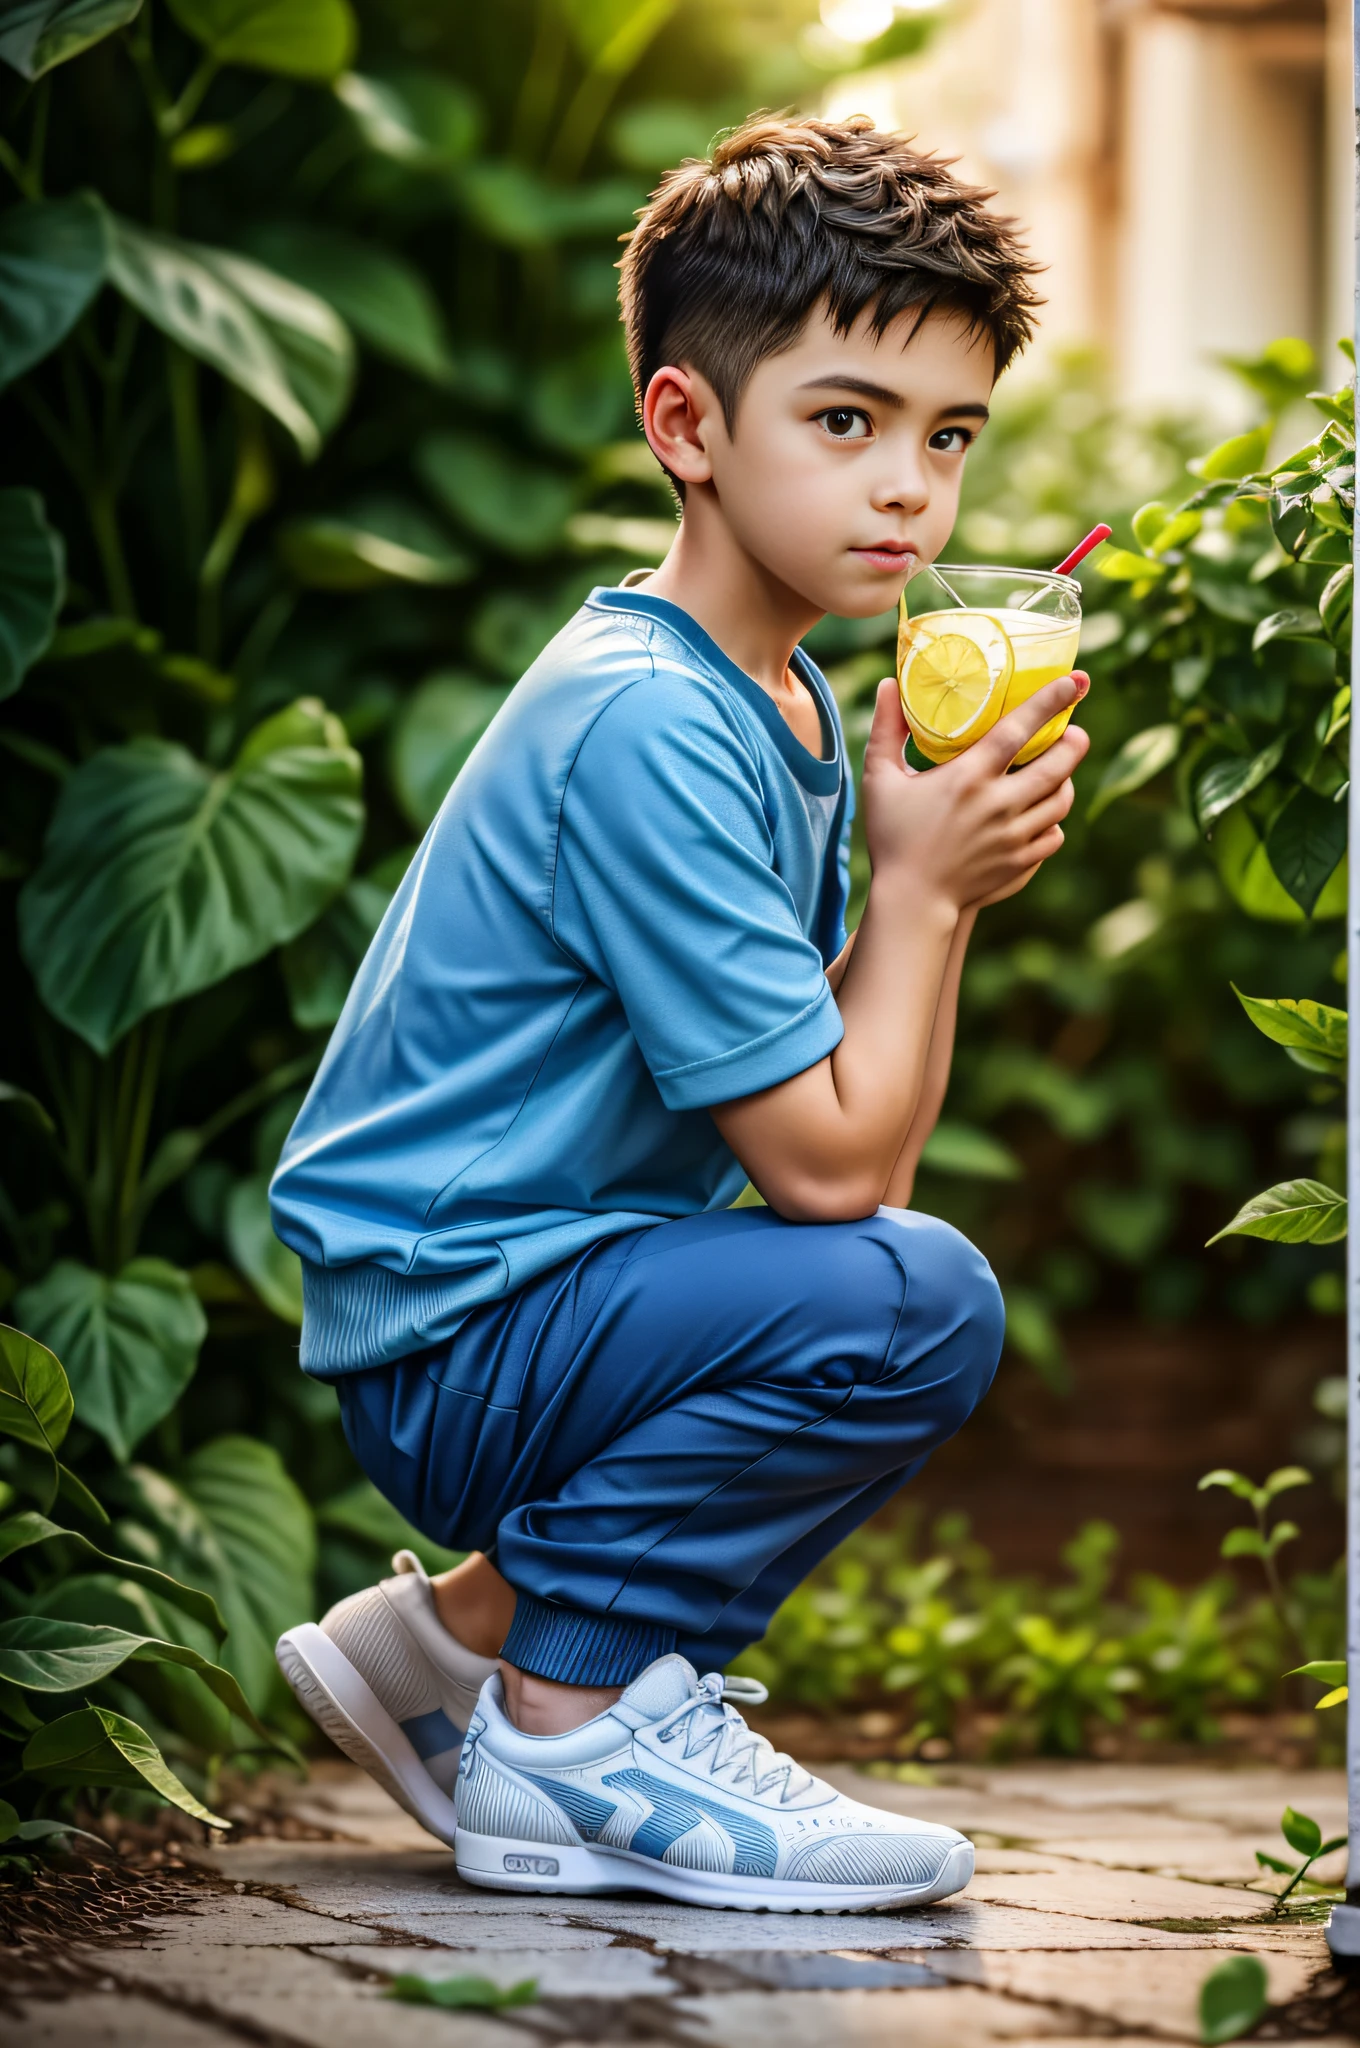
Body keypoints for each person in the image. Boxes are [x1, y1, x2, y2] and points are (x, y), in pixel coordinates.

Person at [270, 112, 1087, 1913]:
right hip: (464, 1337)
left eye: (948, 438)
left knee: (897, 1282)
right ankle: (566, 1734)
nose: (911, 494)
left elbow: (852, 1144)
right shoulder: (651, 717)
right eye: (848, 421)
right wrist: (929, 896)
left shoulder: (781, 702)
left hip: (535, 1299)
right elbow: (830, 1180)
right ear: (687, 427)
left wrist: (926, 881)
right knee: (914, 1301)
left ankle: (457, 1647)